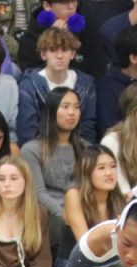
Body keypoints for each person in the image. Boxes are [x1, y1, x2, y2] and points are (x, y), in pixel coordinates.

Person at [23, 87, 86, 250]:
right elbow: (38, 193)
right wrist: (66, 215)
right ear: (51, 111)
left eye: (76, 107)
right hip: (51, 218)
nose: (72, 112)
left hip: (81, 213)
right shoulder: (32, 150)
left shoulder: (86, 149)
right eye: (65, 107)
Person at [17, 26, 98, 144]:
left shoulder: (86, 84)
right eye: (53, 50)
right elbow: (27, 131)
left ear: (73, 54)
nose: (59, 56)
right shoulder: (28, 85)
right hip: (40, 150)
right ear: (43, 54)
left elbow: (87, 128)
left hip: (78, 150)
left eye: (65, 50)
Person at [15, 0, 88, 72]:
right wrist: (52, 40)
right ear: (47, 5)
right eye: (64, 2)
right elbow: (32, 74)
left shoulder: (84, 26)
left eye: (74, 1)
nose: (71, 6)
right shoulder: (31, 38)